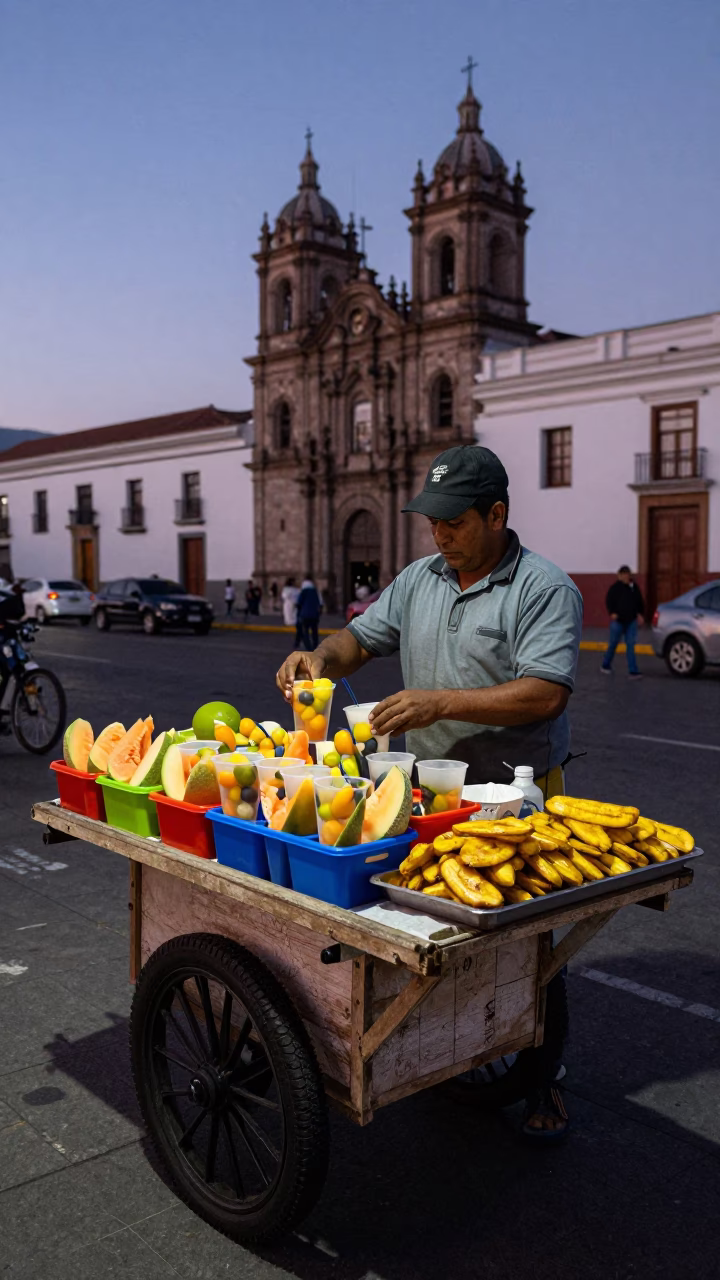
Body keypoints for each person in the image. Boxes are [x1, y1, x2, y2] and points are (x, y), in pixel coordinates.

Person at [277, 444, 582, 1140]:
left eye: (454, 521)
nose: (439, 534)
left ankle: (545, 1078)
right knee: (431, 929)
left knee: (527, 940)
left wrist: (439, 702)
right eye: (431, 520)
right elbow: (360, 639)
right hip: (431, 792)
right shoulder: (420, 579)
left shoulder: (542, 587)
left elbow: (545, 692)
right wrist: (320, 657)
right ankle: (446, 1045)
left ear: (496, 514)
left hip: (514, 792)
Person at [601, 565, 644, 679]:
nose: (625, 577)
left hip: (631, 621)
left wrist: (640, 614)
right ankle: (605, 664)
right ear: (619, 576)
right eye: (623, 574)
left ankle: (633, 670)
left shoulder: (634, 587)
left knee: (630, 645)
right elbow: (609, 600)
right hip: (618, 621)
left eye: (627, 574)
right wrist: (612, 613)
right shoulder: (615, 588)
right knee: (613, 644)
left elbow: (639, 601)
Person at [296, 576, 322, 651]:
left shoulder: (303, 591)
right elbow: (319, 603)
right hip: (314, 615)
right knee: (314, 631)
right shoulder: (315, 591)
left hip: (305, 615)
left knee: (305, 632)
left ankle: (309, 648)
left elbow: (299, 602)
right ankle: (315, 645)